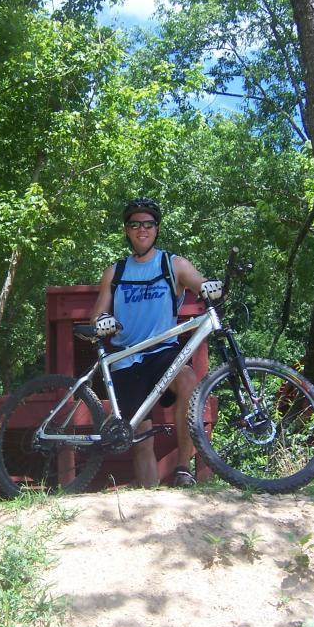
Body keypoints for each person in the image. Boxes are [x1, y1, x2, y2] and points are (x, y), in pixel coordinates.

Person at [90, 197, 209, 488]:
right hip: (125, 357)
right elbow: (97, 314)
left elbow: (201, 284)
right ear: (127, 231)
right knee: (140, 441)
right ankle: (151, 501)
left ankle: (183, 469)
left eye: (148, 224)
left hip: (161, 351)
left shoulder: (173, 264)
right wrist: (101, 321)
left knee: (189, 381)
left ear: (156, 229)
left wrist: (212, 288)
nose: (142, 230)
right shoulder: (114, 272)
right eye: (134, 224)